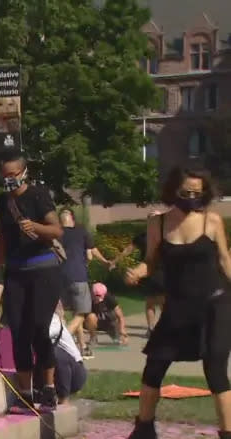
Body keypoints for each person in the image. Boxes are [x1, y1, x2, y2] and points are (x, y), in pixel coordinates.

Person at [124, 166, 231, 439]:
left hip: (214, 306)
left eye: (198, 193)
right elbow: (150, 262)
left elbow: (224, 260)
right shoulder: (157, 223)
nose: (192, 197)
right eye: (186, 192)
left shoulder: (212, 221)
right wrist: (138, 271)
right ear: (174, 190)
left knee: (216, 371)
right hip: (178, 308)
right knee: (154, 367)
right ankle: (144, 430)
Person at [0, 149, 64, 413]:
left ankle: (48, 388)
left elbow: (56, 230)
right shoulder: (3, 202)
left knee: (39, 328)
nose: (9, 180)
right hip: (16, 272)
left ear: (24, 173)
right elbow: (2, 238)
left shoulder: (38, 195)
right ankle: (24, 393)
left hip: (43, 270)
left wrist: (36, 227)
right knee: (19, 331)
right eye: (5, 175)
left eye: (13, 175)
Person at [58, 207, 113, 359]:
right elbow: (92, 251)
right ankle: (62, 340)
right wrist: (105, 262)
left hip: (59, 278)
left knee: (69, 314)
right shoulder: (81, 231)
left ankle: (82, 347)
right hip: (78, 277)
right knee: (82, 313)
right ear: (73, 219)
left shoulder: (55, 234)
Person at [113, 210, 165, 337]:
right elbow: (128, 249)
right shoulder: (142, 236)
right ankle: (151, 328)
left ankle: (165, 327)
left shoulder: (167, 235)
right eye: (153, 218)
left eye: (158, 218)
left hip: (164, 271)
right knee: (150, 301)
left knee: (164, 301)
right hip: (146, 271)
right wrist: (116, 260)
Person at [34, 302, 87, 405]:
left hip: (75, 374)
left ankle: (64, 398)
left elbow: (44, 334)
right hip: (51, 372)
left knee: (53, 352)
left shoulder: (54, 320)